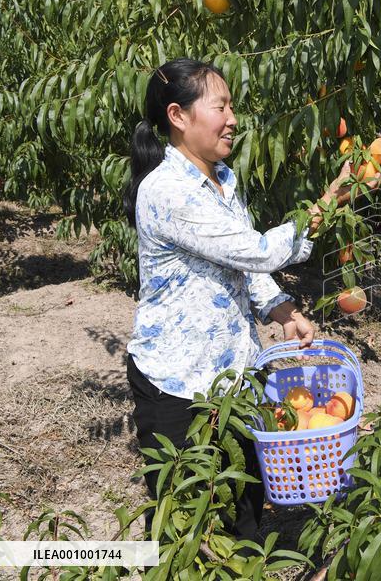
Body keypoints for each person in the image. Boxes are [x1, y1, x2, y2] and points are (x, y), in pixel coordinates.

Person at [122, 58, 366, 541]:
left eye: (232, 105)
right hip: (179, 385)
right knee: (187, 524)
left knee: (245, 508)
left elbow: (243, 263)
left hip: (235, 378)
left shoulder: (223, 178)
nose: (233, 118)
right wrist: (327, 204)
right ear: (178, 116)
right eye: (221, 106)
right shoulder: (166, 190)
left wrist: (280, 308)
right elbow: (255, 249)